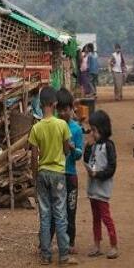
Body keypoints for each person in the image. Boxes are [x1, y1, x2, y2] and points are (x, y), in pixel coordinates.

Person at [29, 87, 78, 266]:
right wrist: (67, 147)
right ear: (54, 104)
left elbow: (34, 156)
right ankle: (63, 255)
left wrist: (35, 177)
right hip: (58, 174)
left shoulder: (36, 128)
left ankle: (46, 255)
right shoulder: (62, 125)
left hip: (42, 173)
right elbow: (66, 150)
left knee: (45, 215)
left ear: (41, 105)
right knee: (60, 213)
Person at [50, 88, 84, 253]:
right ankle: (46, 241)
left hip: (70, 175)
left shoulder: (76, 129)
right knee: (52, 210)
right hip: (55, 174)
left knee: (70, 210)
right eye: (60, 109)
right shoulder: (52, 125)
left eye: (66, 109)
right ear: (56, 109)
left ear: (72, 108)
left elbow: (79, 154)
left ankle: (70, 243)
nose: (63, 113)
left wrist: (72, 149)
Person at [84, 110, 119, 259]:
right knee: (95, 218)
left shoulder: (108, 146)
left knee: (106, 217)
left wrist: (98, 175)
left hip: (102, 189)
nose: (92, 133)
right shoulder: (94, 145)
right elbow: (86, 159)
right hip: (93, 188)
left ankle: (114, 244)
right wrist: (87, 147)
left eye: (94, 130)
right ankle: (97, 244)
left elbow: (111, 168)